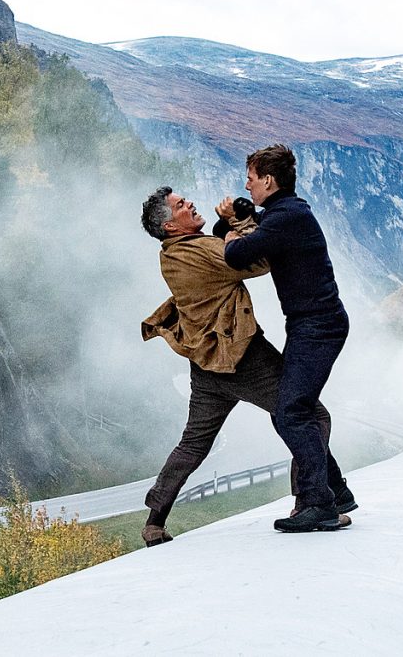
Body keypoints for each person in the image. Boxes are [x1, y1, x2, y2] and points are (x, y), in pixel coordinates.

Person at [138, 186, 356, 547]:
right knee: (307, 415)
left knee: (192, 444)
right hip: (244, 360)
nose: (189, 203)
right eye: (180, 205)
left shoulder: (171, 256)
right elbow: (260, 259)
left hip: (206, 366)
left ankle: (154, 521)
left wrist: (228, 226)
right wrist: (246, 222)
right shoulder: (203, 251)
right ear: (170, 225)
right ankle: (311, 502)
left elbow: (229, 253)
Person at [223, 145, 350, 533]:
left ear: (268, 180)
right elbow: (258, 228)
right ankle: (336, 493)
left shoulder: (286, 218)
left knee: (290, 412)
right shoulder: (286, 213)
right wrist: (239, 218)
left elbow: (238, 255)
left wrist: (230, 233)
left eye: (251, 176)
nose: (246, 182)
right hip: (312, 325)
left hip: (317, 327)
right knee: (295, 410)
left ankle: (319, 504)